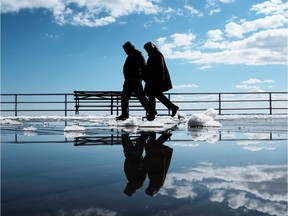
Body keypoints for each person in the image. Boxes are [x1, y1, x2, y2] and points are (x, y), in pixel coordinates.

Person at [116, 41, 153, 121]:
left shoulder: (137, 54)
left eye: (125, 49)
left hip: (134, 79)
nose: (125, 51)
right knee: (125, 97)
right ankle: (125, 114)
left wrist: (140, 77)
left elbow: (143, 66)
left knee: (140, 97)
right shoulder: (131, 55)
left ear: (129, 47)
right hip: (129, 80)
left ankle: (151, 112)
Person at [143, 41, 179, 121]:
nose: (147, 51)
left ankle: (154, 113)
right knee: (154, 95)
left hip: (154, 80)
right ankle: (153, 113)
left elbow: (155, 69)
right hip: (154, 79)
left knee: (154, 95)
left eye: (147, 49)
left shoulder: (155, 54)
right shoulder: (155, 54)